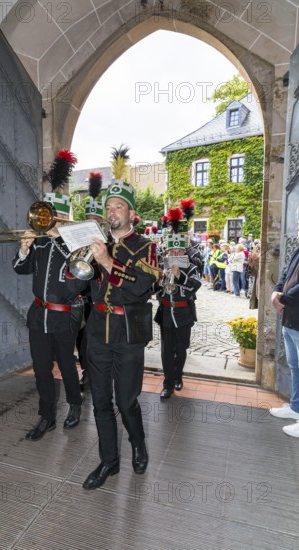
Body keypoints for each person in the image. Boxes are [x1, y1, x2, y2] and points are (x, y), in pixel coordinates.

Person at [78, 180, 159, 490]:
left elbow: (140, 286)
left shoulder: (145, 246)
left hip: (128, 334)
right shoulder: (96, 244)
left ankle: (138, 443)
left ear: (131, 213)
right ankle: (109, 461)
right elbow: (76, 284)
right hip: (98, 331)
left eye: (118, 207)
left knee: (126, 401)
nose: (112, 212)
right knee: (99, 401)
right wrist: (80, 256)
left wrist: (106, 262)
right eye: (109, 207)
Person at [13, 149, 84, 441]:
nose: (46, 221)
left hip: (63, 316)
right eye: (44, 216)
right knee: (41, 369)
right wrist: (24, 248)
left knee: (67, 365)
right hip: (38, 315)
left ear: (62, 217)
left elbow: (78, 281)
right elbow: (20, 269)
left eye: (51, 216)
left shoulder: (75, 245)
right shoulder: (40, 243)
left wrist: (62, 242)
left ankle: (76, 405)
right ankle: (46, 417)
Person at [155, 227, 201, 398]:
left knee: (181, 349)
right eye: (171, 250)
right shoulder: (161, 265)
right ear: (167, 251)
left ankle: (178, 376)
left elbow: (195, 286)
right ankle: (168, 383)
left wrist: (179, 275)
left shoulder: (191, 267)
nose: (175, 253)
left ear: (184, 251)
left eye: (179, 250)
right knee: (166, 350)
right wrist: (158, 278)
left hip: (183, 313)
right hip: (166, 312)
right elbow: (153, 289)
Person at [270, 219, 299, 437]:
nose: (297, 229)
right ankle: (296, 407)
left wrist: (283, 298)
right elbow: (285, 276)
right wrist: (275, 292)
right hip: (290, 319)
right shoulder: (297, 250)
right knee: (294, 366)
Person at [76, 171, 104, 391]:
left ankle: (99, 374)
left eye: (95, 220)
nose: (91, 224)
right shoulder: (76, 243)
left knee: (97, 341)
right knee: (82, 341)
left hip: (100, 300)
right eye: (88, 220)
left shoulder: (108, 243)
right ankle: (86, 373)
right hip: (80, 299)